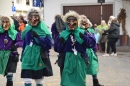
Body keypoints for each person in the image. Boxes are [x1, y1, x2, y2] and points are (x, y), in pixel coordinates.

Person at [54, 10, 96, 86]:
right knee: (67, 82)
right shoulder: (63, 34)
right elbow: (57, 49)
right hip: (66, 61)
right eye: (69, 21)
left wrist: (84, 37)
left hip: (79, 61)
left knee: (79, 82)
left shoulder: (82, 32)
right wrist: (61, 43)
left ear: (77, 22)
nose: (71, 23)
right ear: (66, 22)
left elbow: (91, 44)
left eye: (74, 21)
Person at [21, 8, 53, 86]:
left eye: (36, 16)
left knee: (39, 80)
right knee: (27, 79)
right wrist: (22, 55)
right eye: (31, 16)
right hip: (27, 57)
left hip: (39, 56)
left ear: (39, 17)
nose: (33, 19)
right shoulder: (27, 28)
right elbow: (25, 43)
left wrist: (38, 37)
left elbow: (49, 45)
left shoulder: (43, 28)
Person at [80, 17, 103, 86]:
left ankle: (95, 83)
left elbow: (93, 42)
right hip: (83, 51)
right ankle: (82, 83)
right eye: (83, 23)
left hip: (91, 51)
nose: (85, 24)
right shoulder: (79, 31)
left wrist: (94, 50)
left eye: (86, 22)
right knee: (82, 69)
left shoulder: (90, 30)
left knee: (93, 66)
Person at [0, 16, 22, 86]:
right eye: (3, 22)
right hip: (1, 55)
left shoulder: (15, 33)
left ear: (11, 23)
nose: (5, 24)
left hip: (11, 55)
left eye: (7, 22)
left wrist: (15, 45)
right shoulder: (0, 32)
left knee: (9, 76)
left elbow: (21, 42)